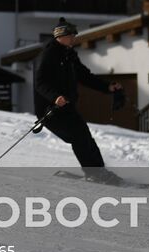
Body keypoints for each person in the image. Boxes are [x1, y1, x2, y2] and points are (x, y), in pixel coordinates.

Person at [32, 17, 122, 169]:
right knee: (78, 136)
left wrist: (107, 87)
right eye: (71, 36)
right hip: (49, 110)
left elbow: (85, 76)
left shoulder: (70, 55)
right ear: (61, 36)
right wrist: (55, 97)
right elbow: (40, 83)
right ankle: (94, 173)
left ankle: (99, 171)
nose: (74, 39)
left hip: (67, 107)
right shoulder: (48, 54)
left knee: (85, 136)